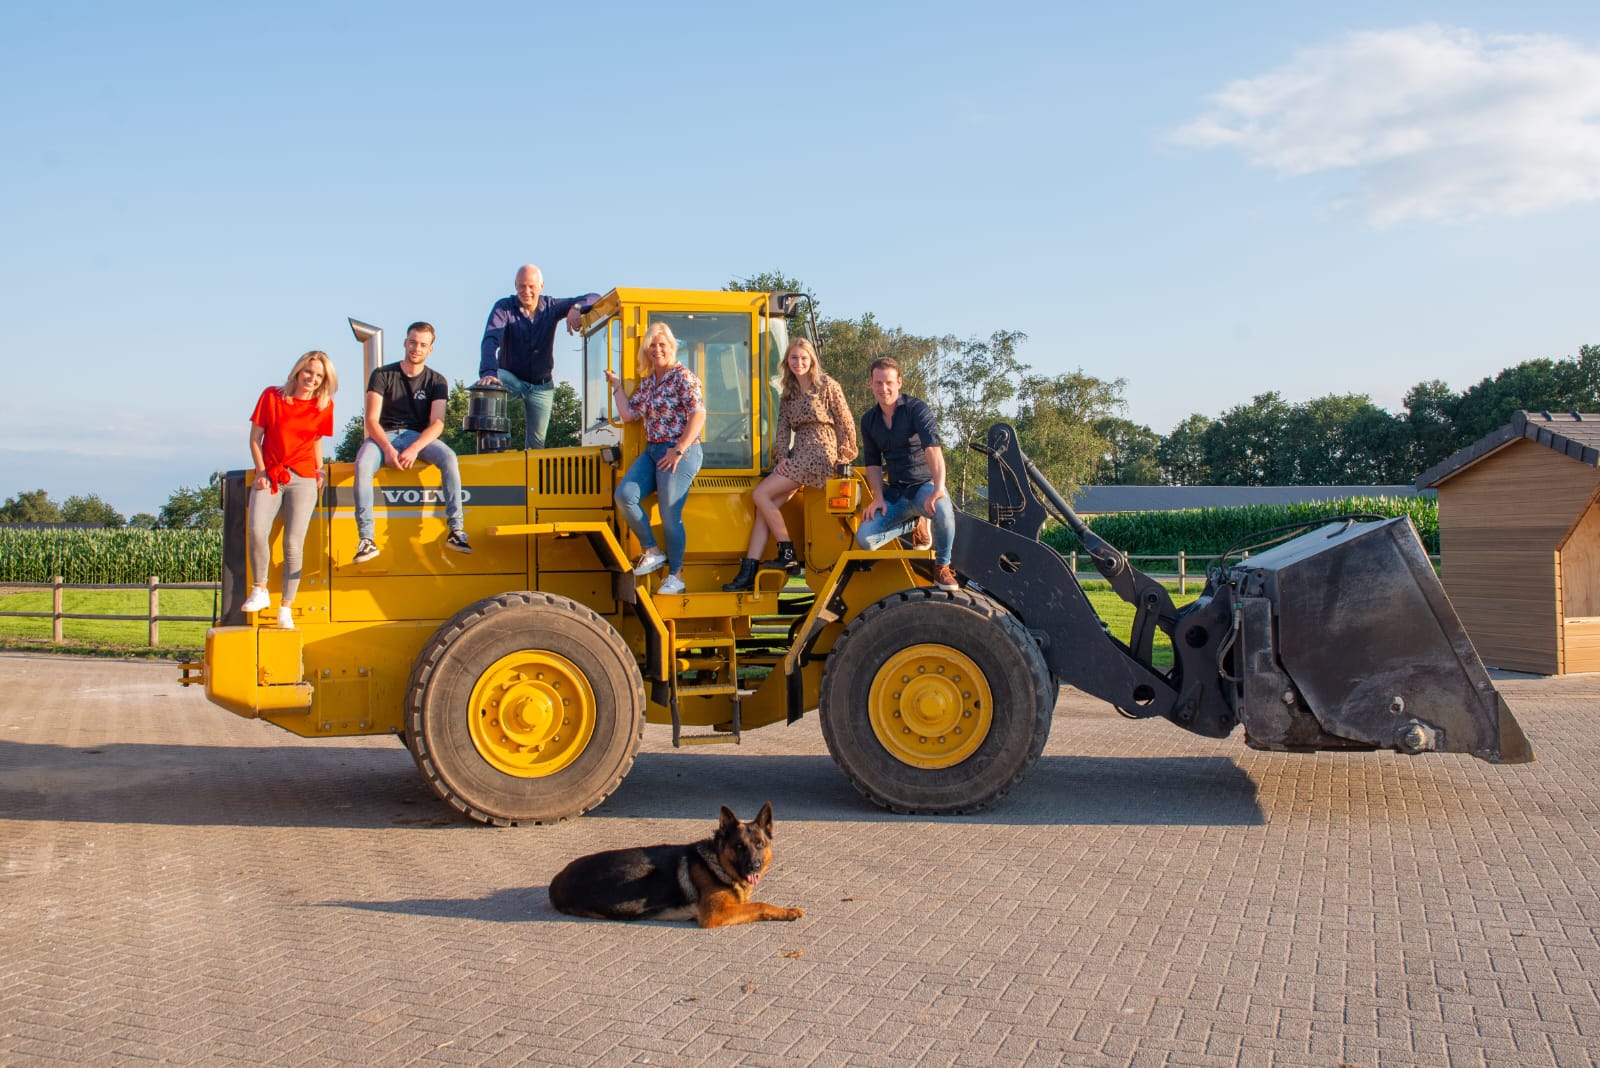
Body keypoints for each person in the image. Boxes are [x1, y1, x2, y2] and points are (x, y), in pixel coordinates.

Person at [723, 338, 856, 591]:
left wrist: (845, 455)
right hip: (798, 452)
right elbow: (782, 428)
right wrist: (782, 456)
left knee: (760, 494)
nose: (799, 363)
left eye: (804, 358)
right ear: (787, 362)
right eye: (794, 358)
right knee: (766, 506)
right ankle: (748, 571)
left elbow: (845, 421)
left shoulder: (828, 386)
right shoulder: (789, 392)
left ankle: (787, 551)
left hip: (820, 451)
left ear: (812, 361)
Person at [351, 322, 469, 564]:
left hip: (418, 436)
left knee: (449, 457)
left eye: (423, 345)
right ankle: (366, 539)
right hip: (384, 435)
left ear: (430, 349)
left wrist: (414, 448)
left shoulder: (437, 381)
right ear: (405, 343)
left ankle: (456, 531)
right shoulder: (383, 375)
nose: (417, 348)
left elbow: (437, 423)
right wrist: (386, 448)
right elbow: (371, 420)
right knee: (363, 464)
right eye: (413, 342)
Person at [606, 322, 705, 596]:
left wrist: (679, 448)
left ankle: (677, 575)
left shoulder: (682, 376)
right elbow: (629, 415)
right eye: (652, 345)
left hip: (680, 450)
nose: (657, 349)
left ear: (671, 347)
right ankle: (652, 550)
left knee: (669, 514)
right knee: (625, 494)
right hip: (653, 450)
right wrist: (616, 386)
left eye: (662, 344)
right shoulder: (649, 381)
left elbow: (699, 414)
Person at [241, 351, 338, 629]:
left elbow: (316, 440)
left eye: (319, 376)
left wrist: (320, 469)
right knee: (257, 530)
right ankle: (259, 588)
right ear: (298, 371)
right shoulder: (272, 396)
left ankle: (286, 607)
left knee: (293, 543)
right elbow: (255, 439)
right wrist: (260, 471)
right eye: (309, 372)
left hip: (304, 477)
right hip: (272, 474)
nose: (312, 379)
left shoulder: (323, 405)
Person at [853, 357, 959, 591]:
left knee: (943, 510)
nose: (884, 388)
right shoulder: (869, 421)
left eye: (889, 382)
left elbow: (932, 449)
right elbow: (872, 463)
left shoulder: (916, 409)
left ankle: (942, 567)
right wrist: (878, 498)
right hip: (896, 494)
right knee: (866, 538)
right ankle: (914, 522)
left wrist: (939, 488)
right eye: (878, 383)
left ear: (899, 382)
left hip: (923, 486)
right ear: (870, 384)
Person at [477, 264, 600, 449]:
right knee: (492, 386)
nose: (526, 291)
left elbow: (595, 297)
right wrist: (488, 372)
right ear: (516, 286)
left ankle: (529, 474)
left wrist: (576, 308)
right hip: (511, 377)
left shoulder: (551, 307)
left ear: (541, 286)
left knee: (536, 445)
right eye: (522, 286)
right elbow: (490, 340)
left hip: (541, 386)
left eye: (531, 286)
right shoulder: (504, 308)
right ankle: (501, 446)